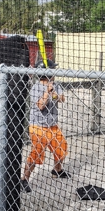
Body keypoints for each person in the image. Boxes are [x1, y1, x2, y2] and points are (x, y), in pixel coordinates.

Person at [21, 59, 70, 193]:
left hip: (53, 125)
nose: (54, 71)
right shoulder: (35, 87)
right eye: (52, 69)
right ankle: (24, 179)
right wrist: (47, 92)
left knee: (61, 149)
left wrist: (54, 95)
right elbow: (41, 105)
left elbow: (62, 99)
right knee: (36, 154)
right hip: (38, 127)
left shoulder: (56, 84)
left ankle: (57, 170)